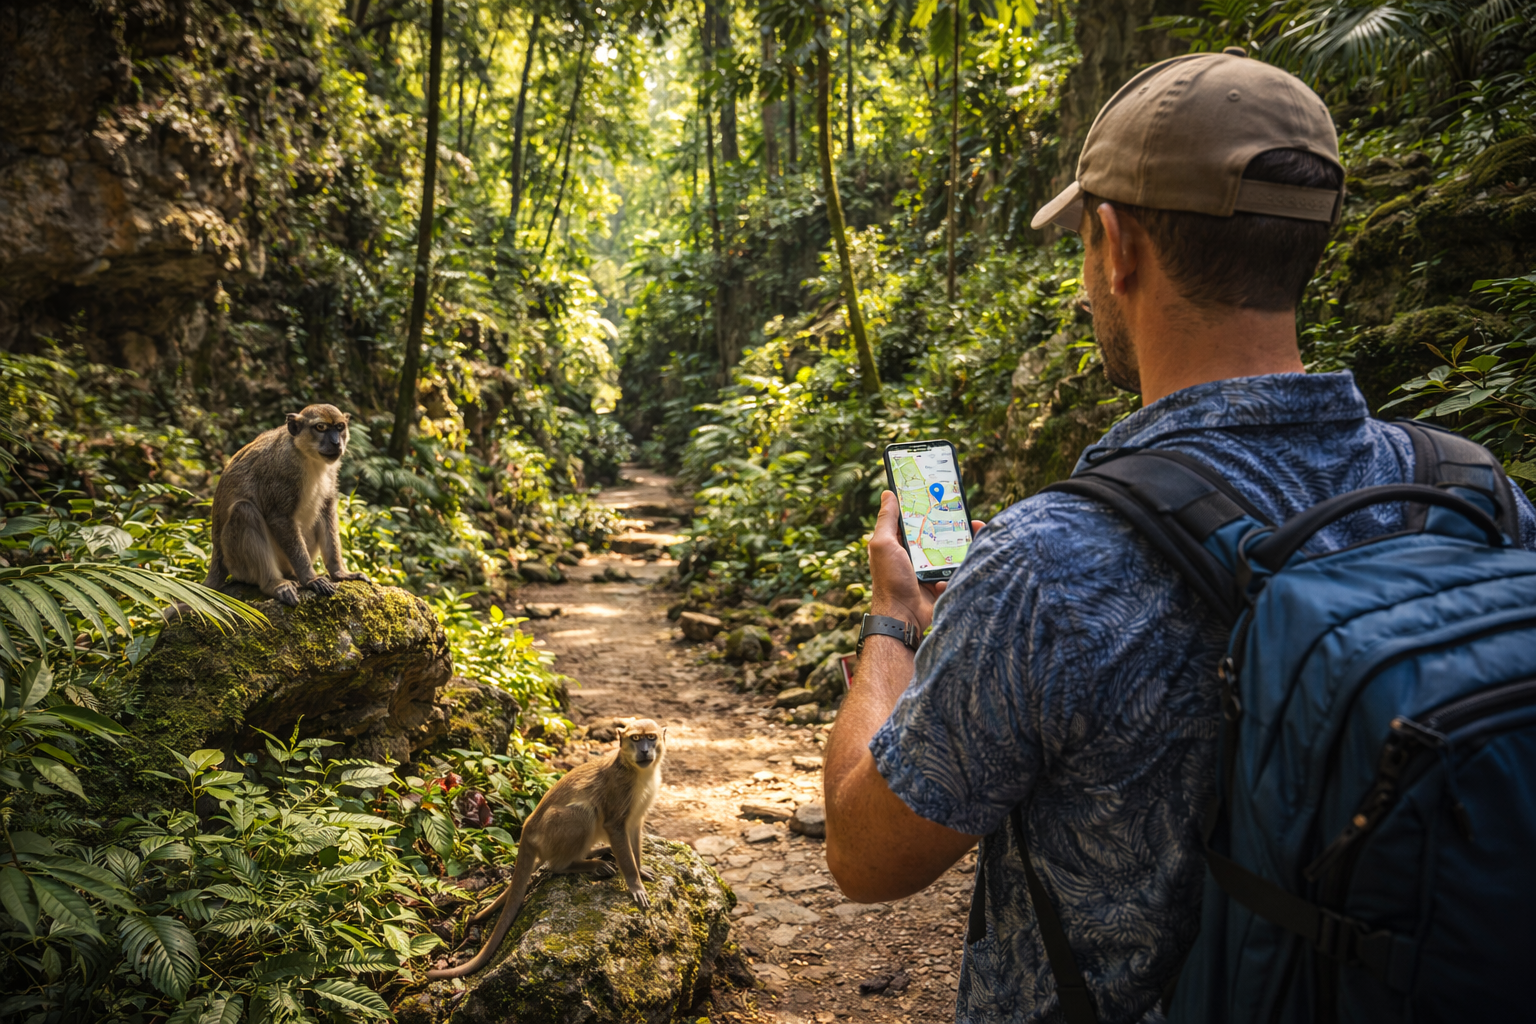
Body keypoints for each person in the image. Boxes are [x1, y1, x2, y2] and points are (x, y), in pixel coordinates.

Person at [822, 49, 1536, 1023]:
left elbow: (866, 855)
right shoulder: (1472, 494)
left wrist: (894, 621)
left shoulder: (1047, 565)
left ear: (1117, 246)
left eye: (1082, 243)